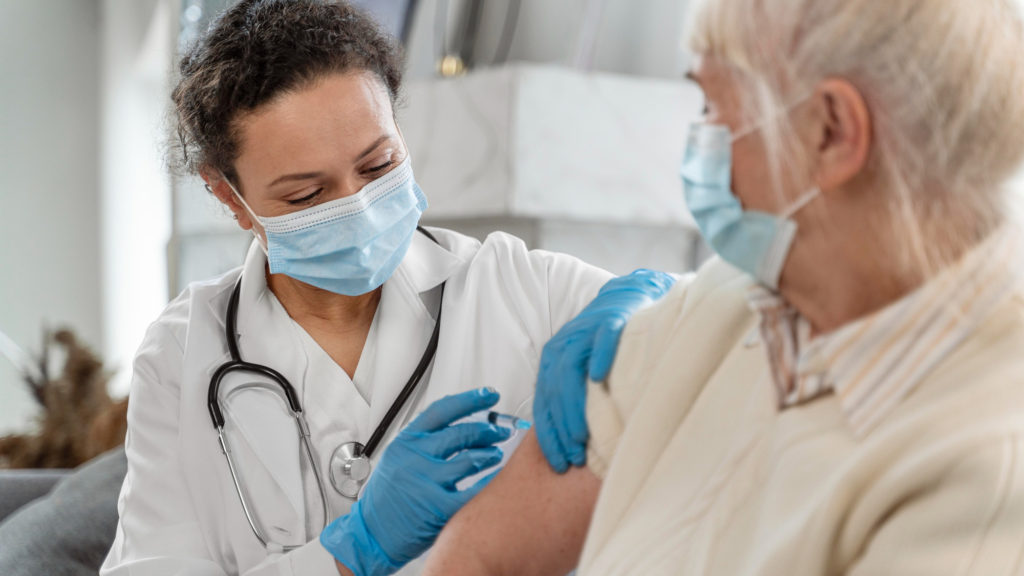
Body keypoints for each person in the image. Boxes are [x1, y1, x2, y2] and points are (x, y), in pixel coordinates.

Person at [422, 0, 1024, 574]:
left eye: (714, 106)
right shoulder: (718, 305)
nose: (699, 142)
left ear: (833, 131)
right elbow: (482, 555)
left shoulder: (985, 463)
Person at [99, 1, 676, 575]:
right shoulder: (181, 356)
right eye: (306, 196)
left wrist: (649, 298)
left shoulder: (516, 286)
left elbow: (719, 319)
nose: (358, 205)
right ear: (229, 196)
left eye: (377, 165)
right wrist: (352, 549)